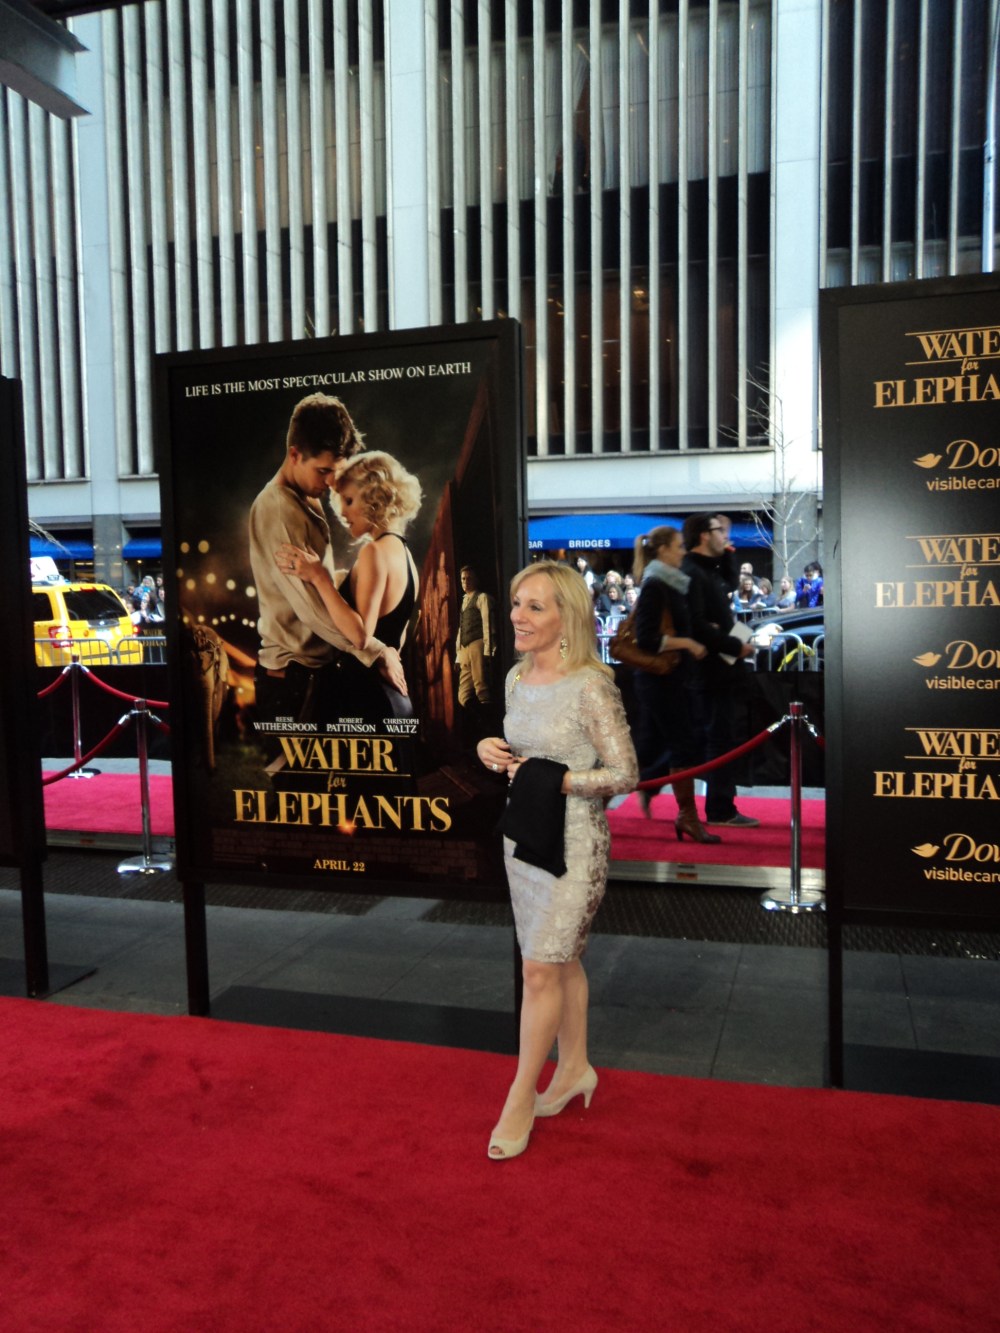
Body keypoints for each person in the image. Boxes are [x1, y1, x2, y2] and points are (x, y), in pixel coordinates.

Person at [476, 561, 638, 1162]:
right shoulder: (517, 677)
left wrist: (558, 780)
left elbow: (625, 774)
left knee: (540, 970)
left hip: (574, 848)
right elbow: (518, 753)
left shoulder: (592, 686)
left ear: (567, 617)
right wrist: (489, 750)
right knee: (559, 961)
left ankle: (520, 1096)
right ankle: (573, 1069)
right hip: (523, 841)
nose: (517, 616)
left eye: (534, 606)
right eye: (517, 603)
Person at [248, 394, 405, 760]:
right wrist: (377, 651)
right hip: (292, 681)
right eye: (323, 471)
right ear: (294, 455)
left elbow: (315, 588)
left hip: (311, 675)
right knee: (299, 787)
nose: (332, 482)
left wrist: (335, 579)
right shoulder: (279, 508)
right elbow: (312, 610)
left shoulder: (306, 496)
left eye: (336, 470)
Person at [276, 449, 422, 723]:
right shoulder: (406, 557)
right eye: (340, 501)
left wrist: (319, 577)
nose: (342, 512)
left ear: (377, 498)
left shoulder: (374, 553)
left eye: (350, 500)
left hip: (363, 700)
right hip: (395, 701)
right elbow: (396, 642)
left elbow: (360, 636)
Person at [630, 527, 717, 841]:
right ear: (663, 549)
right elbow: (647, 639)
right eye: (679, 546)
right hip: (660, 681)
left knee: (649, 748)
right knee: (682, 746)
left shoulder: (669, 583)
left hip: (668, 680)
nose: (683, 551)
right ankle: (687, 817)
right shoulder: (656, 586)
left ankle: (601, 803)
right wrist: (688, 643)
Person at [682, 514, 759, 829]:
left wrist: (727, 549)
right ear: (704, 535)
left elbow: (728, 581)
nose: (725, 536)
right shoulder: (691, 571)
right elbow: (697, 624)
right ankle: (719, 808)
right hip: (710, 670)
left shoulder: (707, 569)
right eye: (719, 531)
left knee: (721, 738)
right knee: (718, 740)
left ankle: (721, 806)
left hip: (721, 669)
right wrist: (733, 646)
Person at [455, 565, 496, 710]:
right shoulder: (464, 601)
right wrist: (458, 657)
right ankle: (475, 716)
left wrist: (488, 650)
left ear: (476, 580)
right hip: (465, 648)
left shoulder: (482, 598)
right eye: (463, 579)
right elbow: (461, 628)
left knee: (481, 685)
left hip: (478, 643)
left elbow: (488, 624)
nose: (466, 582)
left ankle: (486, 716)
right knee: (463, 694)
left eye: (469, 578)